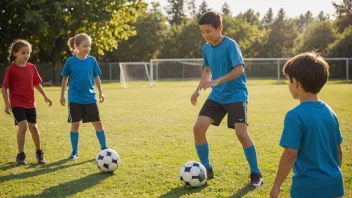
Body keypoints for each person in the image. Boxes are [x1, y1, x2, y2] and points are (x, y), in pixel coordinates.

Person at [191, 11, 263, 187]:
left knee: (241, 134)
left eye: (208, 31)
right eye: (202, 32)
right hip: (217, 95)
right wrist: (198, 89)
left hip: (236, 94)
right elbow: (207, 70)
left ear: (219, 28)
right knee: (198, 128)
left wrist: (217, 80)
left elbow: (240, 69)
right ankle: (207, 169)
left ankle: (256, 174)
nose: (205, 35)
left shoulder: (231, 45)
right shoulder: (206, 48)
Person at [270, 52, 344, 198]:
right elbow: (339, 151)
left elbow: (290, 154)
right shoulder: (330, 112)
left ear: (295, 83)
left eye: (289, 81)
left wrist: (276, 185)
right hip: (335, 184)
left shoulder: (294, 115)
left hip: (308, 188)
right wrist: (331, 177)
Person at [2, 39, 52, 165]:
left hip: (30, 103)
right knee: (23, 127)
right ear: (15, 53)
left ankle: (39, 152)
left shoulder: (32, 68)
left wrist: (46, 96)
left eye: (28, 53)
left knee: (34, 128)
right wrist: (7, 104)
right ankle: (20, 155)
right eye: (23, 53)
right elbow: (4, 87)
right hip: (17, 103)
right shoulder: (11, 70)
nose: (26, 56)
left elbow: (37, 83)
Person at [60, 33, 108, 160]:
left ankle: (104, 148)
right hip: (75, 99)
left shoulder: (92, 60)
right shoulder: (70, 61)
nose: (87, 48)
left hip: (90, 98)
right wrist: (62, 95)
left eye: (89, 46)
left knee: (98, 123)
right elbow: (65, 78)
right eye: (84, 46)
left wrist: (101, 92)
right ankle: (74, 151)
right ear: (76, 46)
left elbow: (96, 76)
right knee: (75, 124)